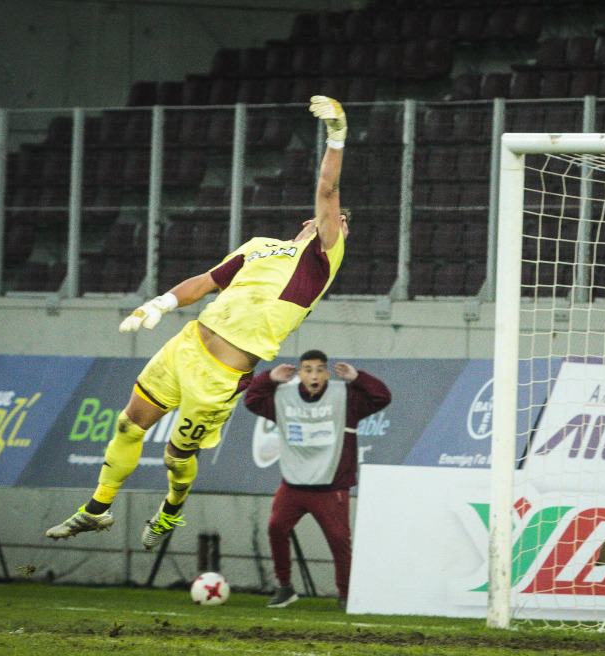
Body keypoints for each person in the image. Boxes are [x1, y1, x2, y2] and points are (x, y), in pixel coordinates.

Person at [46, 96, 352, 551]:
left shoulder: (322, 261)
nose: (339, 222)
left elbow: (328, 189)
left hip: (220, 375)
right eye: (337, 221)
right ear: (307, 222)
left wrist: (337, 135)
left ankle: (170, 512)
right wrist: (162, 303)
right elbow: (209, 281)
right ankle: (97, 509)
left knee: (175, 457)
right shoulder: (260, 246)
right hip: (185, 345)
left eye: (344, 223)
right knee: (129, 425)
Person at [243, 350, 391, 610]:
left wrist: (358, 378)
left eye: (320, 370)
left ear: (327, 373)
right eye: (308, 370)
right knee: (276, 527)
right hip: (293, 485)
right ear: (299, 374)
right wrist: (269, 378)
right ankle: (285, 587)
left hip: (330, 487)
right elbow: (252, 400)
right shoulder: (283, 396)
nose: (314, 375)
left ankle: (346, 595)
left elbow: (382, 396)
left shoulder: (345, 395)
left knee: (339, 542)